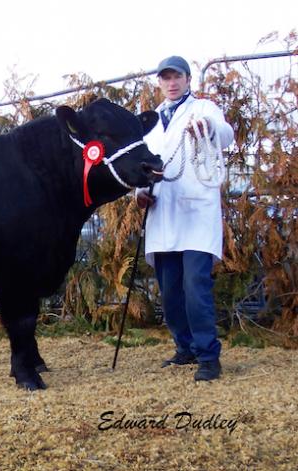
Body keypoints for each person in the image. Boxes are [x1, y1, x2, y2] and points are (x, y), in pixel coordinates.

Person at [136, 55, 234, 381]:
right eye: (165, 78)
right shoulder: (151, 122)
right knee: (170, 292)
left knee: (196, 289)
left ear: (188, 79)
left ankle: (209, 357)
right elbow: (140, 166)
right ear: (160, 83)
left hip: (195, 215)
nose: (172, 82)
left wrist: (208, 128)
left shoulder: (204, 109)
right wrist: (139, 194)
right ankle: (185, 349)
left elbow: (225, 134)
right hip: (162, 215)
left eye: (177, 76)